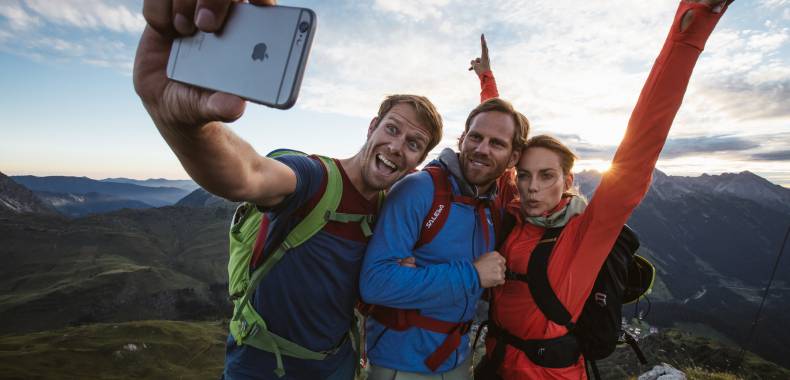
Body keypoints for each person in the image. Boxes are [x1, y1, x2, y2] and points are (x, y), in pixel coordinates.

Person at [132, 1, 444, 379]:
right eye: (392, 129)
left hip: (337, 364)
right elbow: (248, 174)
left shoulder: (389, 211)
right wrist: (179, 123)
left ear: (419, 161)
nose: (397, 146)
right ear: (372, 127)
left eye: (413, 144)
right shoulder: (312, 177)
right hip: (264, 366)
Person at [481, 1, 733, 379]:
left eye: (546, 175)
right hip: (495, 363)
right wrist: (487, 80)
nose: (532, 187)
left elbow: (642, 146)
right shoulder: (514, 210)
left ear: (567, 182)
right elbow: (497, 137)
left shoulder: (585, 234)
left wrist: (689, 34)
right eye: (525, 175)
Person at [358, 36, 529, 378]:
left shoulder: (495, 197)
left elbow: (499, 122)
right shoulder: (419, 190)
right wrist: (473, 275)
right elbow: (375, 283)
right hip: (400, 363)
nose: (482, 148)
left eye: (496, 144)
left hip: (454, 359)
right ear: (462, 139)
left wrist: (487, 79)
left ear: (512, 159)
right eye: (475, 137)